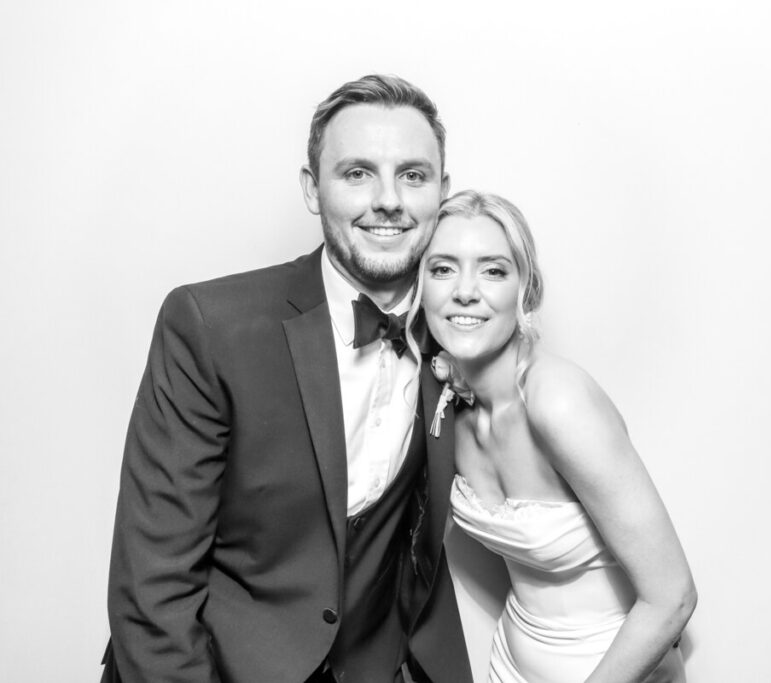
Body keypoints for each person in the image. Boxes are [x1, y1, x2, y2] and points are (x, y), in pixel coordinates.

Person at [103, 75, 474, 683]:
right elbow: (154, 585)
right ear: (312, 188)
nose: (388, 200)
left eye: (413, 175)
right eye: (357, 173)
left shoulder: (461, 330)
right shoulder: (210, 326)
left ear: (443, 192)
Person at [410, 190, 698, 682]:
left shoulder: (558, 402)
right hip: (510, 664)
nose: (464, 291)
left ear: (528, 289)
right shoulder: (447, 405)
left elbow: (672, 597)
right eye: (442, 269)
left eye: (493, 270)